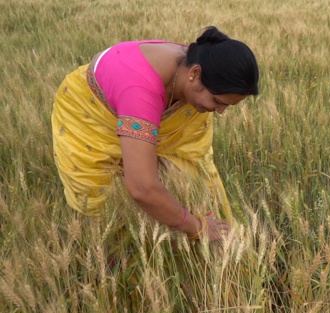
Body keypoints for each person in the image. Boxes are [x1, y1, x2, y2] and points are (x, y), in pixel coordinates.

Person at [51, 26, 259, 242]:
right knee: (106, 208)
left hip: (136, 102)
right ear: (194, 74)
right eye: (217, 101)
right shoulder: (139, 92)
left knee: (192, 178)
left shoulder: (199, 67)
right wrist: (197, 228)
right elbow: (142, 187)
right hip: (92, 118)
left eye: (227, 105)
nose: (220, 112)